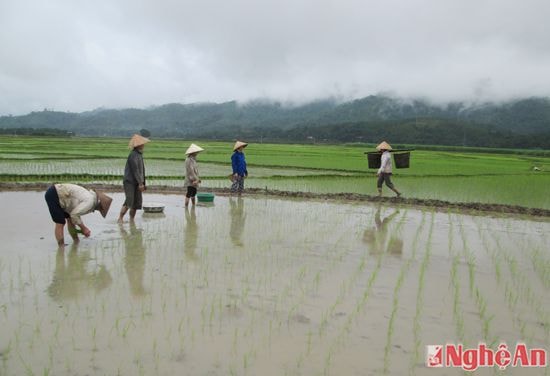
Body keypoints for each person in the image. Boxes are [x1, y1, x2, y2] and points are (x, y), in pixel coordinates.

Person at [45, 183, 113, 247]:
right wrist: (84, 228)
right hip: (55, 194)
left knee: (70, 220)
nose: (98, 210)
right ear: (100, 205)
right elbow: (74, 214)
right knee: (60, 222)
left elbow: (75, 214)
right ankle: (61, 247)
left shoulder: (89, 198)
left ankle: (76, 241)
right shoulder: (90, 201)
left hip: (64, 198)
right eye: (101, 209)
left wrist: (81, 227)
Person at [118, 134, 150, 222]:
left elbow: (141, 171)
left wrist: (142, 183)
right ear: (139, 145)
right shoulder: (133, 155)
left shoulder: (139, 155)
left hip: (137, 183)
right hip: (130, 182)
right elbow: (136, 170)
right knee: (129, 200)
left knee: (136, 203)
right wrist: (140, 183)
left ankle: (132, 220)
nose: (144, 145)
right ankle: (120, 218)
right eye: (142, 144)